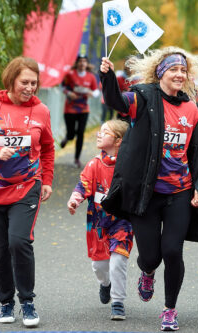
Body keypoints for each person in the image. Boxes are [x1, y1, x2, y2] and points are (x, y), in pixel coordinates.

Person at [99, 46, 198, 331]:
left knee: (173, 251)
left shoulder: (192, 109)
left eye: (183, 70)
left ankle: (169, 310)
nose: (179, 74)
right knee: (151, 255)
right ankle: (147, 270)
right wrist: (107, 76)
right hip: (146, 193)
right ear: (161, 73)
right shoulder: (144, 98)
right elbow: (116, 100)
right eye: (173, 69)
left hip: (179, 192)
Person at [0, 56, 55, 327]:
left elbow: (49, 148)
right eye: (24, 82)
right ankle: (6, 302)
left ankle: (27, 301)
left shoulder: (41, 111)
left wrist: (48, 180)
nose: (30, 87)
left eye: (34, 82)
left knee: (19, 242)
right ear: (11, 80)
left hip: (26, 187)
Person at [67, 119, 133, 321]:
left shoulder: (130, 165)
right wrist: (75, 199)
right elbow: (82, 186)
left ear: (119, 140)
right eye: (100, 130)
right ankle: (105, 284)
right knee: (100, 266)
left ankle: (118, 302)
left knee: (117, 261)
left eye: (105, 132)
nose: (99, 134)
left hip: (122, 221)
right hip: (97, 222)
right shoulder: (94, 164)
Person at [60, 54, 99, 168]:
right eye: (80, 61)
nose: (82, 63)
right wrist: (69, 93)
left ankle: (77, 158)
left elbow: (96, 91)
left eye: (84, 61)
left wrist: (92, 93)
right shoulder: (70, 75)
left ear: (87, 64)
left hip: (83, 109)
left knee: (81, 133)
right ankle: (68, 137)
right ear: (77, 63)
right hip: (70, 109)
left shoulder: (90, 77)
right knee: (72, 134)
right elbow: (63, 87)